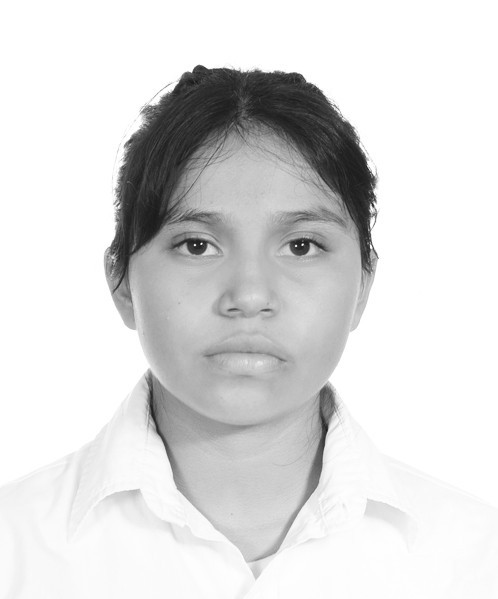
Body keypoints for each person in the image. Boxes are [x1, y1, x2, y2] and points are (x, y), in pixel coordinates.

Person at [0, 65, 497, 598]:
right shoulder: (16, 549)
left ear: (363, 286)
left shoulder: (474, 560)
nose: (250, 295)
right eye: (197, 245)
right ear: (122, 281)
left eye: (302, 246)